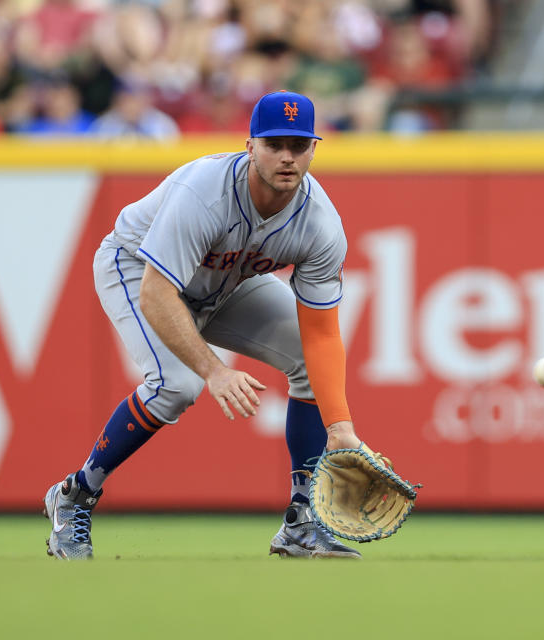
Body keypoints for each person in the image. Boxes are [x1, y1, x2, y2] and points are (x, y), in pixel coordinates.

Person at [43, 90, 365, 560]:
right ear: (250, 145)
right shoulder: (205, 192)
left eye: (299, 145)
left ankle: (301, 523)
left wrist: (339, 425)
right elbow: (156, 293)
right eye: (275, 144)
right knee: (177, 384)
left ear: (315, 149)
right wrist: (215, 370)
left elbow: (320, 333)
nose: (287, 157)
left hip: (223, 283)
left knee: (303, 356)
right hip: (136, 267)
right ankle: (74, 496)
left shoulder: (319, 224)